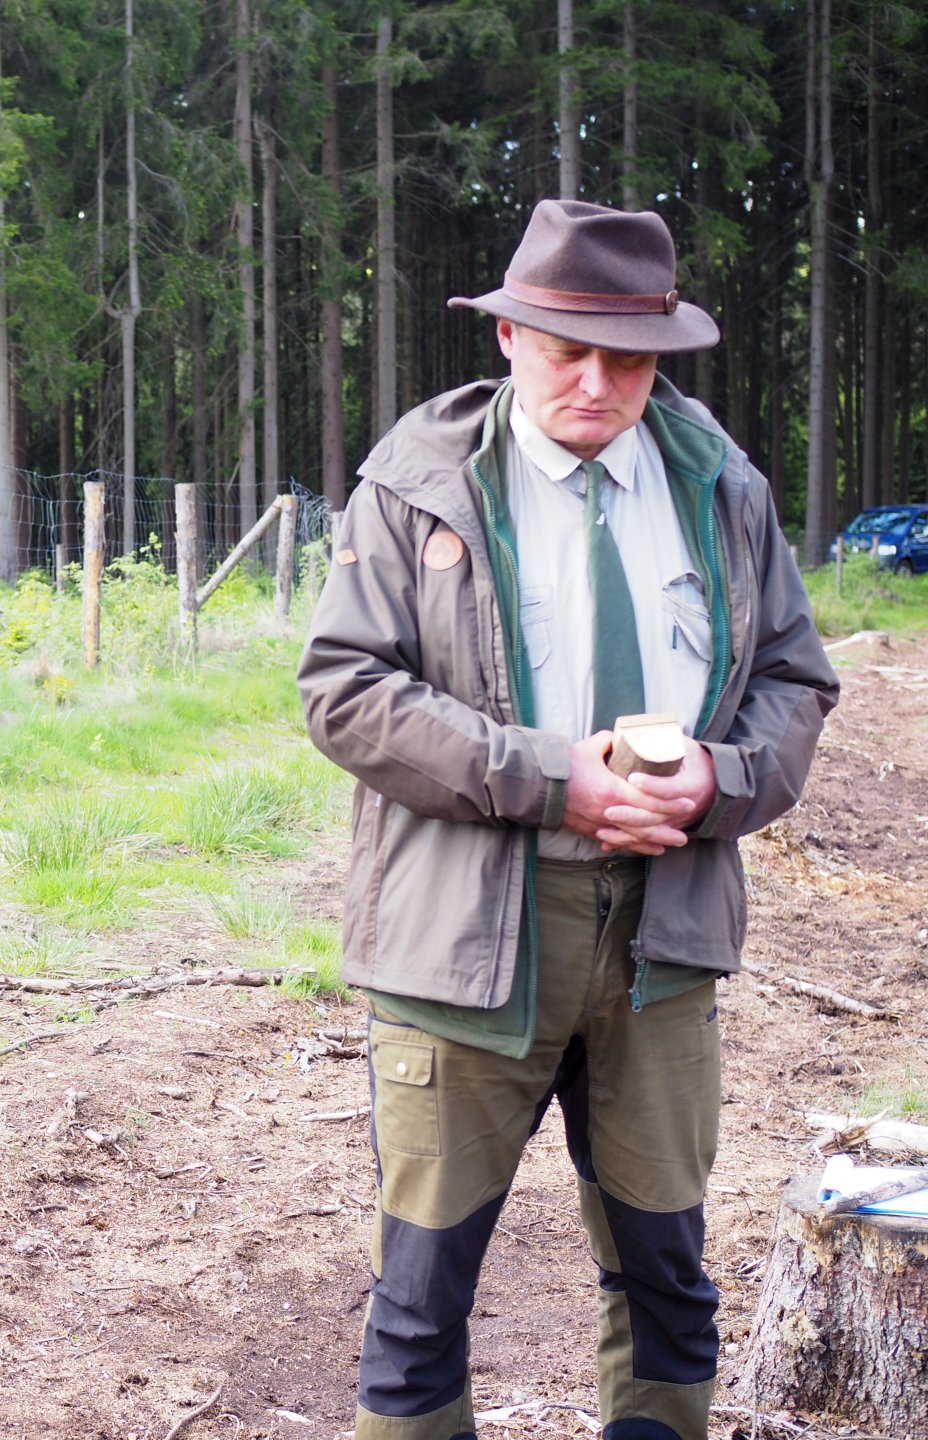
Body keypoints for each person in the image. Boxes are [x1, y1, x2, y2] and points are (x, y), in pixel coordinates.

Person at [296, 199, 838, 1440]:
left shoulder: (722, 486)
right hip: (465, 944)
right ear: (509, 338)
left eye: (628, 359)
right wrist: (552, 780)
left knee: (666, 1283)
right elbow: (346, 690)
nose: (597, 384)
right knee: (420, 1298)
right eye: (566, 351)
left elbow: (794, 681)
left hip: (665, 941)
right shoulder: (420, 485)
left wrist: (720, 782)